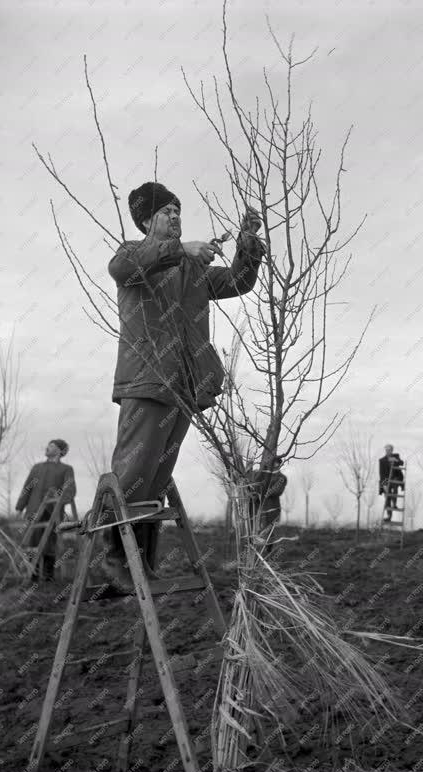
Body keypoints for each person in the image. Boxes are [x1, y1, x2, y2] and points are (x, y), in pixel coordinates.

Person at [102, 181, 265, 591]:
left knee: (157, 476)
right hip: (147, 380)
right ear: (145, 220)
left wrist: (247, 243)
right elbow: (120, 268)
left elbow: (239, 282)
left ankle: (142, 563)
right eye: (165, 211)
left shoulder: (192, 271)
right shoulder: (132, 255)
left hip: (184, 386)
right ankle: (112, 559)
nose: (175, 215)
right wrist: (182, 249)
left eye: (178, 210)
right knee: (134, 472)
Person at [15, 439, 76, 582]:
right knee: (32, 542)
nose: (48, 447)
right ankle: (33, 577)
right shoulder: (37, 468)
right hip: (33, 510)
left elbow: (70, 488)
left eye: (52, 446)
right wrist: (19, 507)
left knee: (49, 542)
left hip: (53, 512)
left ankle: (48, 578)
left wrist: (62, 500)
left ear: (61, 451)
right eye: (48, 445)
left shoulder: (66, 469)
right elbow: (27, 488)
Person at [251, 457, 288, 531]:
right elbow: (255, 487)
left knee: (270, 533)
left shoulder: (281, 478)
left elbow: (277, 491)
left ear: (278, 464)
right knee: (258, 533)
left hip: (272, 509)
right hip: (259, 509)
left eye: (275, 463)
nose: (273, 465)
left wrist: (263, 492)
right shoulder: (261, 476)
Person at [378, 444, 404, 522]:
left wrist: (396, 460)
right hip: (386, 480)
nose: (388, 451)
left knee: (395, 487)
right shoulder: (382, 460)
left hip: (395, 478)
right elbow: (381, 474)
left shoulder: (396, 456)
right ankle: (389, 516)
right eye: (387, 450)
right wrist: (384, 485)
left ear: (392, 450)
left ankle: (395, 504)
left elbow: (401, 462)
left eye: (389, 450)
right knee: (387, 497)